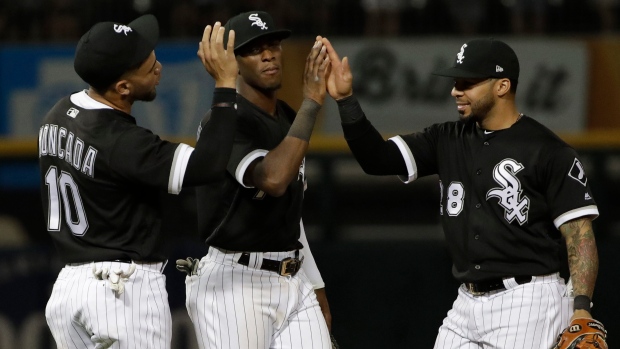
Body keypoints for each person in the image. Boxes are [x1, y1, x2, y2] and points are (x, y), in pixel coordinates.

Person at [321, 37, 603, 348]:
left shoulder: (549, 150)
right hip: (466, 301)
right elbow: (376, 159)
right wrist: (346, 100)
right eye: (457, 81)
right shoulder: (446, 138)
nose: (456, 90)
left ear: (502, 86)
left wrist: (581, 308)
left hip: (528, 300)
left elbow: (579, 234)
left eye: (468, 82)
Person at [38, 15, 239, 349]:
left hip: (69, 288)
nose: (159, 67)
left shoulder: (58, 113)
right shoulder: (123, 141)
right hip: (121, 293)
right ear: (123, 88)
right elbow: (209, 165)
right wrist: (226, 84)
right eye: (148, 67)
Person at [181, 10, 333, 349]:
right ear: (232, 63)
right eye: (253, 49)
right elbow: (274, 179)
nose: (268, 54)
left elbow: (290, 211)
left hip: (292, 278)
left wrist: (316, 284)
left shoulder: (287, 118)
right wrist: (311, 102)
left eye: (273, 44)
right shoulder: (224, 121)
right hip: (235, 282)